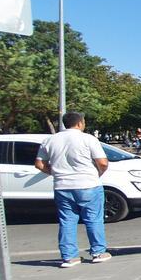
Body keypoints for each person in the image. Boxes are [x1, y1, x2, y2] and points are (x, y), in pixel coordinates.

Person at [34, 112, 111, 268]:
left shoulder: (50, 140)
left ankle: (69, 257)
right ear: (80, 123)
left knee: (67, 221)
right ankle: (98, 252)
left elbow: (39, 164)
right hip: (88, 184)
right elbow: (102, 162)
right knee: (93, 219)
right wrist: (97, 174)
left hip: (62, 186)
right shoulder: (88, 139)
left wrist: (55, 172)